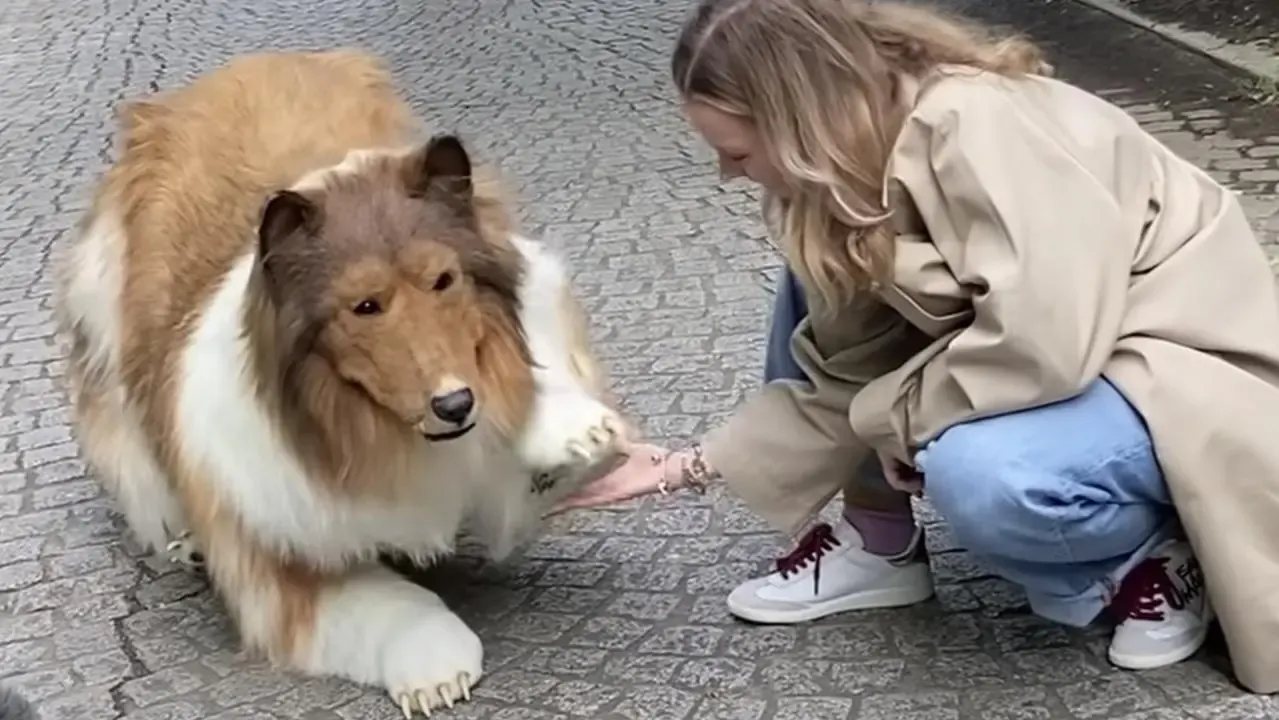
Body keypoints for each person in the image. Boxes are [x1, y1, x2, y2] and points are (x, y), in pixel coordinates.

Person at [555, 0, 1279, 693]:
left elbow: (1044, 344)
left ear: (797, 120)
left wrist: (898, 416)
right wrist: (682, 467)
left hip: (1179, 362)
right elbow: (840, 370)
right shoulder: (844, 170)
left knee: (985, 475)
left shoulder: (977, 124)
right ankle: (878, 542)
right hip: (1080, 360)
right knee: (816, 284)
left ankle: (1150, 555)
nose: (727, 173)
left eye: (737, 151)